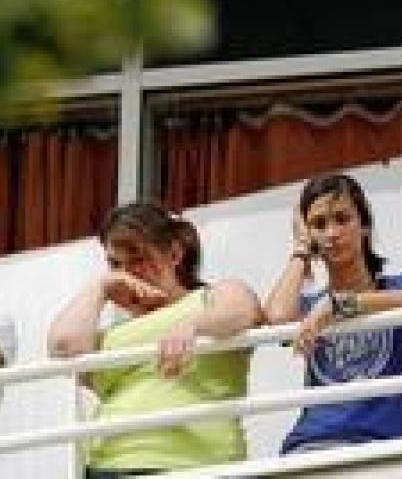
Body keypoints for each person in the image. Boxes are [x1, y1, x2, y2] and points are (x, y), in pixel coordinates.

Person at [47, 203, 263, 478]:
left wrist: (192, 325)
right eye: (115, 264)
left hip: (194, 465)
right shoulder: (110, 333)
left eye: (138, 258)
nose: (126, 273)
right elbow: (64, 347)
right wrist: (99, 288)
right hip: (106, 466)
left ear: (174, 254)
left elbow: (245, 312)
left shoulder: (210, 297)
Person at [265, 174, 402, 454]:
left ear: (364, 225)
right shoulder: (312, 305)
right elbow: (276, 317)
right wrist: (301, 250)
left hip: (377, 447)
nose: (332, 233)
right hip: (308, 446)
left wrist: (341, 305)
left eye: (342, 219)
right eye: (319, 224)